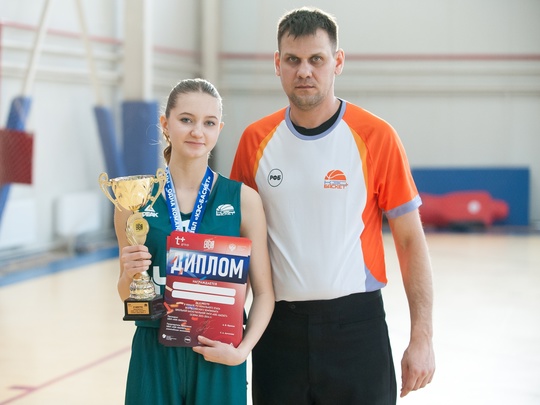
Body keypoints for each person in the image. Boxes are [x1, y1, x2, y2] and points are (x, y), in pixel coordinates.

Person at [230, 7, 435, 405]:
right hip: (277, 332)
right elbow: (239, 243)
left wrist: (422, 337)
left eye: (316, 59)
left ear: (337, 62)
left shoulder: (377, 136)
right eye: (293, 60)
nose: (304, 71)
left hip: (357, 331)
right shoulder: (254, 140)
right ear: (277, 64)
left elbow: (411, 241)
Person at [114, 78, 275, 405]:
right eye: (186, 119)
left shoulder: (243, 200)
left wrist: (242, 351)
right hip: (154, 351)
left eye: (209, 123)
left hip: (218, 353)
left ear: (219, 129)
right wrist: (129, 274)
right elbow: (126, 294)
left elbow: (265, 293)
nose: (197, 132)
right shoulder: (133, 201)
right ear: (165, 124)